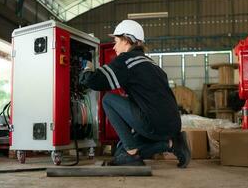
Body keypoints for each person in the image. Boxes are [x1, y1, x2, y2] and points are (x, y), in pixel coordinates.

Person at [79, 20, 191, 168]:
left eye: (116, 41)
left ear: (126, 40)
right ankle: (173, 144)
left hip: (154, 124)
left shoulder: (126, 60)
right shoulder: (151, 63)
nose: (114, 46)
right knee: (120, 154)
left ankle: (133, 152)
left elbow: (95, 82)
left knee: (108, 100)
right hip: (172, 125)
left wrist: (86, 69)